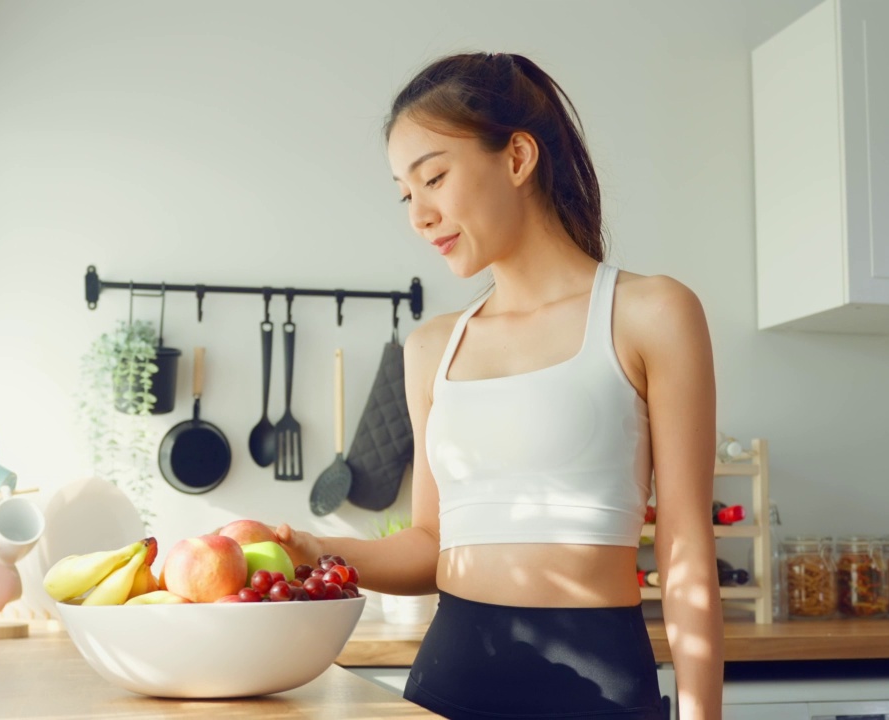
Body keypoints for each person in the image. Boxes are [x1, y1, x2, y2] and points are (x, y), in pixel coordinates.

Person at [277, 51, 723, 719]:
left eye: (433, 178)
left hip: (600, 689)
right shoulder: (432, 347)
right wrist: (317, 550)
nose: (418, 215)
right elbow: (429, 546)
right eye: (406, 192)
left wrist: (703, 714)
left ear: (517, 158)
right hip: (448, 685)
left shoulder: (651, 313)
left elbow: (686, 541)